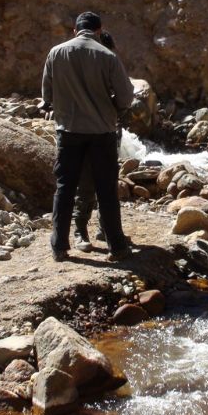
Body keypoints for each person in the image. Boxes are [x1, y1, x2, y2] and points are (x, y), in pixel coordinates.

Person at [41, 12, 134, 262]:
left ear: (75, 30)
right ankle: (117, 246)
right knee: (106, 190)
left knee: (65, 189)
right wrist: (112, 106)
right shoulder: (107, 55)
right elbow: (126, 97)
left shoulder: (55, 53)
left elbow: (46, 96)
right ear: (99, 30)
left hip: (68, 131)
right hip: (101, 133)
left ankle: (60, 247)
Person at [73, 31, 119, 252]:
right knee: (87, 184)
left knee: (106, 184)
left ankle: (103, 228)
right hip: (86, 132)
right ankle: (80, 230)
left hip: (107, 132)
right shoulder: (87, 69)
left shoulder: (106, 64)